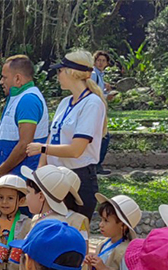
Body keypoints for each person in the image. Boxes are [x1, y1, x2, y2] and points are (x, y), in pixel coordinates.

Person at [27, 51, 107, 219]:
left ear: (72, 72)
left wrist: (42, 148)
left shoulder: (92, 103)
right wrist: (41, 168)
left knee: (75, 233)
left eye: (60, 71)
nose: (58, 76)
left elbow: (76, 150)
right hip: (55, 175)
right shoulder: (65, 102)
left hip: (79, 177)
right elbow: (53, 134)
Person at [0, 55, 49, 183]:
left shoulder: (28, 100)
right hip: (13, 177)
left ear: (17, 79)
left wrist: (0, 171)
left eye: (4, 77)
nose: (1, 81)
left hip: (23, 179)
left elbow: (24, 145)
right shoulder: (18, 97)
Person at [21, 165, 89, 245]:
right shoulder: (40, 218)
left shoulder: (52, 227)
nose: (26, 196)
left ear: (41, 196)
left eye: (28, 192)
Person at [92, 51, 113, 175]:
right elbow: (93, 93)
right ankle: (97, 165)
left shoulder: (99, 75)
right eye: (98, 60)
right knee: (104, 137)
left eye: (103, 61)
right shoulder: (94, 74)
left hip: (98, 110)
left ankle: (96, 164)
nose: (101, 63)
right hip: (94, 110)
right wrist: (106, 97)